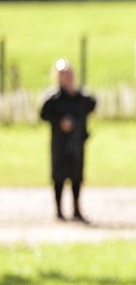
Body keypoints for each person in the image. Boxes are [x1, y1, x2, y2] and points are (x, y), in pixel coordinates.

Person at [39, 59, 96, 222]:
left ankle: (77, 208)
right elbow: (44, 114)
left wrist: (75, 91)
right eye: (63, 74)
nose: (67, 77)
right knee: (59, 175)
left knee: (76, 175)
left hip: (76, 141)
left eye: (69, 74)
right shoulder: (54, 98)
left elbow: (92, 104)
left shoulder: (79, 96)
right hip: (59, 142)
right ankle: (58, 210)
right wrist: (59, 122)